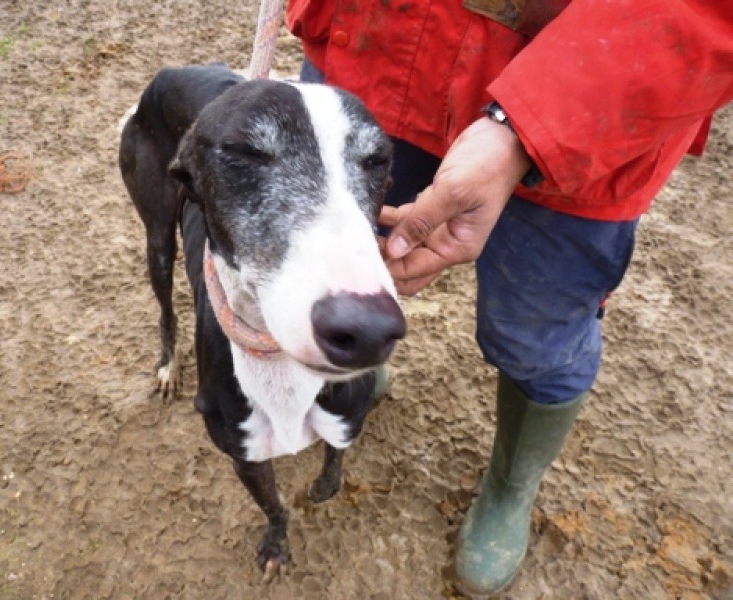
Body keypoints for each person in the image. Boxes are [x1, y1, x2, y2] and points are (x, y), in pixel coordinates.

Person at [286, 0, 733, 595]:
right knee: (351, 268)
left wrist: (530, 125)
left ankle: (512, 482)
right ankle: (357, 372)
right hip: (373, 45)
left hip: (595, 96)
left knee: (534, 336)